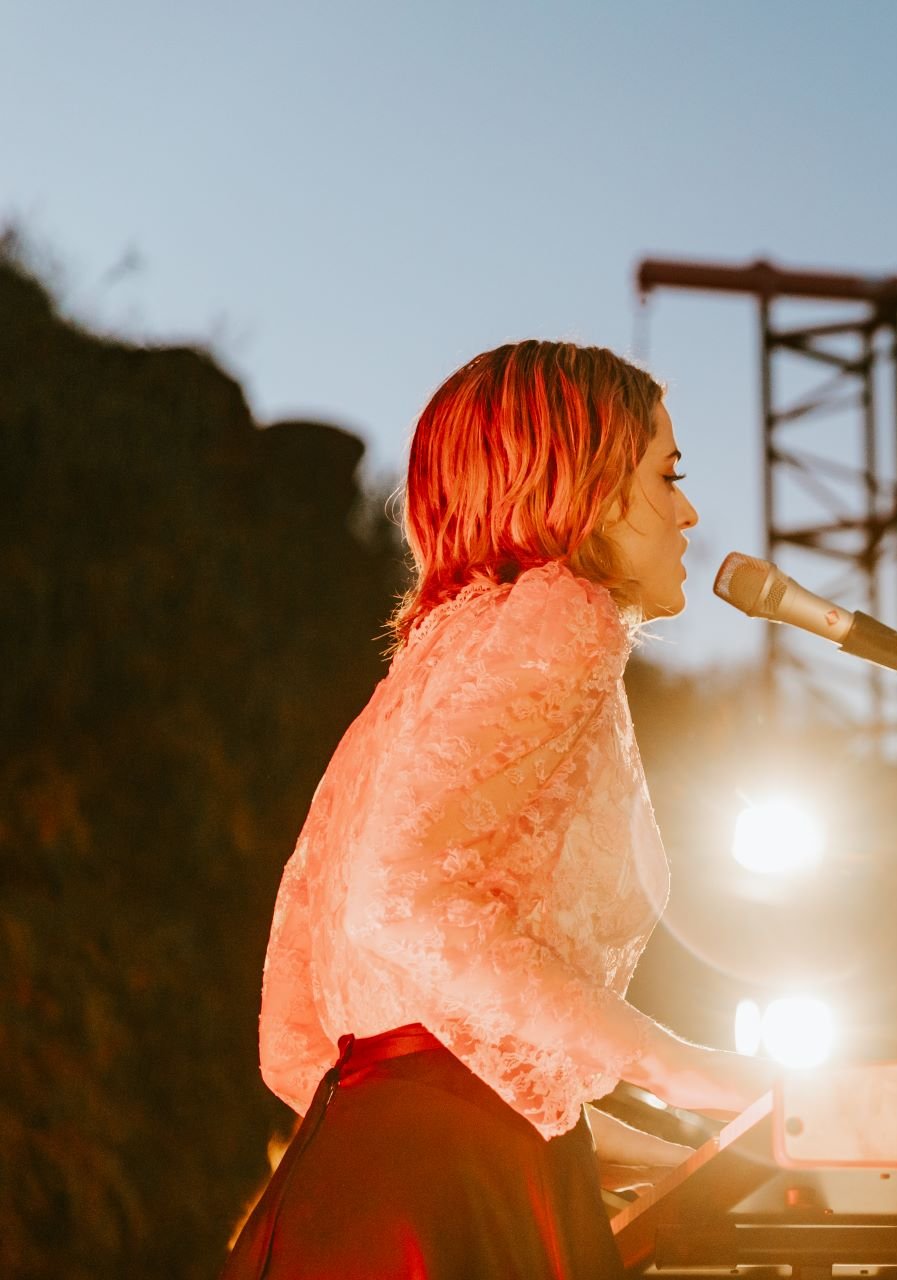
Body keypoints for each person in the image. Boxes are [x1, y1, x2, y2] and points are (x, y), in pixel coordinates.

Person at [224, 340, 771, 1279]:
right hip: (452, 1191)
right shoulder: (563, 617)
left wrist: (567, 1121)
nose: (686, 513)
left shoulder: (426, 665)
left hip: (350, 1182)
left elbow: (292, 1038)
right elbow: (402, 902)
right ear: (584, 487)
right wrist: (689, 1069)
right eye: (664, 475)